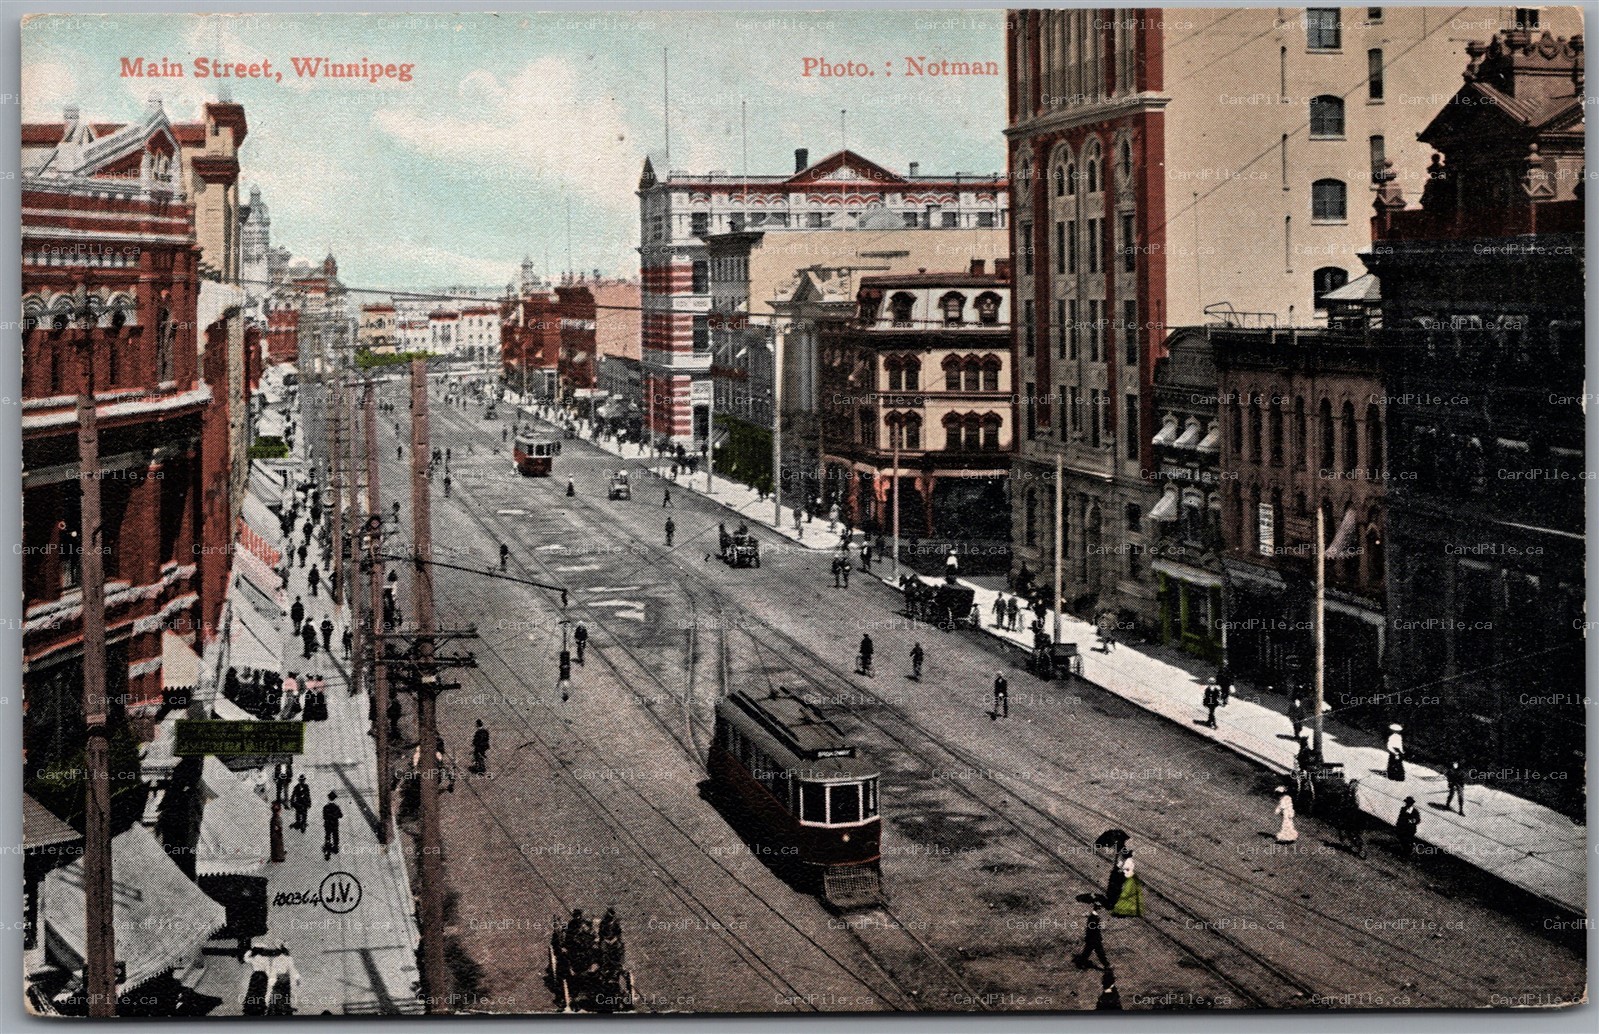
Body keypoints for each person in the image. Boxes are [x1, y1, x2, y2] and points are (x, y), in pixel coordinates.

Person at [1074, 901, 1109, 969]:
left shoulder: (1093, 916)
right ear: (1098, 908)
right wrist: (1099, 926)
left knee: (1088, 952)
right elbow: (1093, 928)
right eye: (1100, 908)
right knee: (1099, 952)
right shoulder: (1094, 917)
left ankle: (1081, 963)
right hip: (1094, 938)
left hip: (1092, 938)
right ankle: (1106, 965)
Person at [1110, 849, 1143, 917]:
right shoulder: (1130, 861)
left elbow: (1119, 867)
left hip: (1122, 877)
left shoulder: (1124, 861)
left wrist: (1120, 870)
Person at [322, 791, 343, 859]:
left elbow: (324, 817)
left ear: (329, 798)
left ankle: (327, 845)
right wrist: (335, 816)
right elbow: (341, 815)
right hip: (334, 824)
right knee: (335, 835)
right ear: (335, 799)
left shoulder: (325, 807)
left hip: (328, 824)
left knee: (328, 835)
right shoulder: (336, 807)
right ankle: (335, 846)